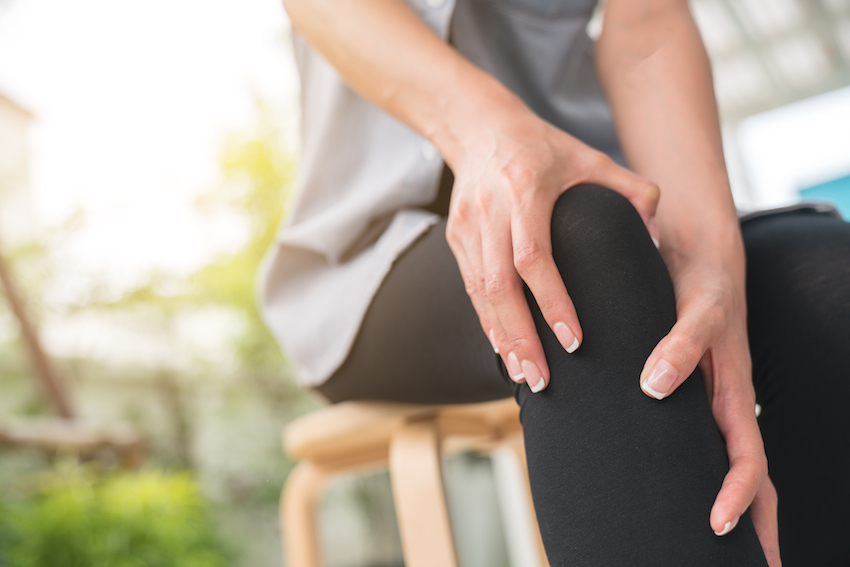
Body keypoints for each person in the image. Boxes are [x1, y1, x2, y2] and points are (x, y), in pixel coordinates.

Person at [260, 0, 850, 564]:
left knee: (823, 277)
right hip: (376, 258)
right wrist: (491, 137)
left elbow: (646, 23)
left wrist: (705, 261)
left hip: (612, 191)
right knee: (566, 251)